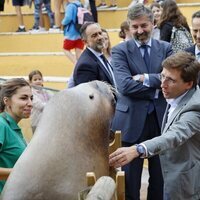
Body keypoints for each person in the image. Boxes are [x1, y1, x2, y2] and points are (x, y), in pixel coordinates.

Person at [109, 51, 200, 200]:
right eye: (162, 76)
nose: (162, 84)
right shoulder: (177, 95)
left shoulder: (195, 108)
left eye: (170, 80)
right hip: (172, 179)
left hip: (184, 186)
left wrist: (138, 149)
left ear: (188, 84)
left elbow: (173, 136)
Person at [110, 3, 173, 199]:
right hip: (131, 124)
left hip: (161, 120)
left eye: (144, 26)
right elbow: (124, 86)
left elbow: (171, 81)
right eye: (135, 27)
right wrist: (158, 86)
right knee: (130, 183)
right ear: (129, 27)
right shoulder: (120, 51)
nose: (139, 31)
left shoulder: (166, 48)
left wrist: (144, 78)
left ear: (153, 24)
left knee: (160, 180)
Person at [0, 78, 33, 193]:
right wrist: (19, 173)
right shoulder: (1, 125)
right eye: (23, 98)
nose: (30, 103)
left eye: (31, 98)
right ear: (7, 101)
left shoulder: (14, 128)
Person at [73, 22, 116, 87]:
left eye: (100, 33)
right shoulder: (85, 65)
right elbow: (89, 95)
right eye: (94, 35)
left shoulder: (100, 56)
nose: (100, 37)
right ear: (85, 42)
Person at [61, 0, 84, 64]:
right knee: (78, 52)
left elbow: (68, 18)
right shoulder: (81, 5)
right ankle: (80, 66)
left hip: (71, 32)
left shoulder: (70, 6)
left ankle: (76, 64)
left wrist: (62, 22)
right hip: (80, 32)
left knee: (65, 49)